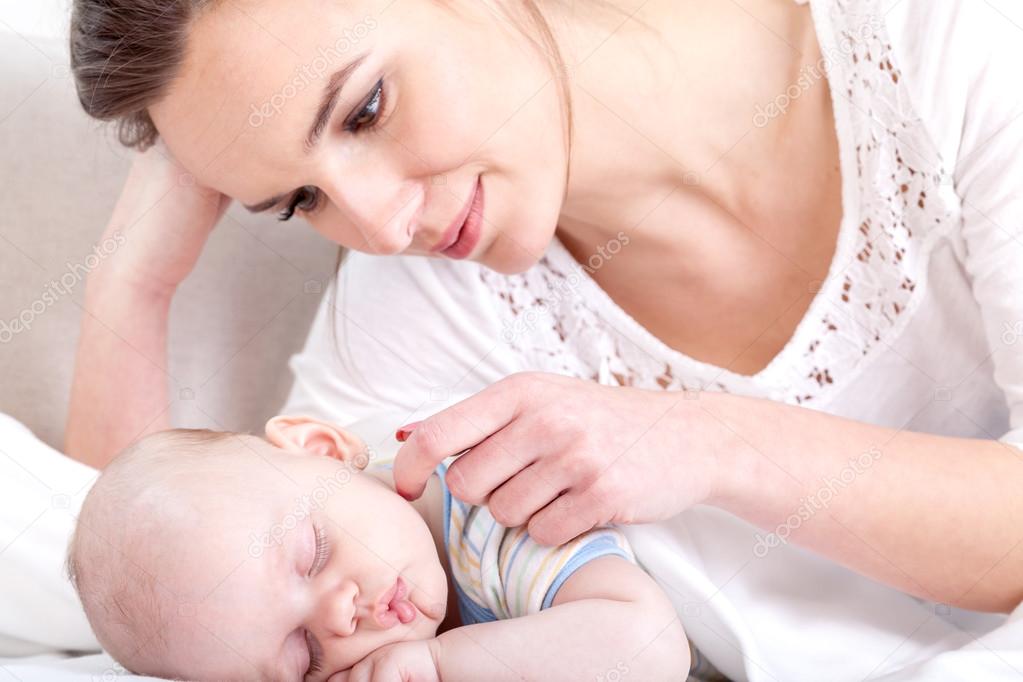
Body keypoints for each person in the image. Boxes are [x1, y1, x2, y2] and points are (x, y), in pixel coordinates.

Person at [64, 0, 1023, 677]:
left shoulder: (954, 43)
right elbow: (163, 571)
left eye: (366, 108)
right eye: (299, 200)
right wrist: (132, 283)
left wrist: (711, 441)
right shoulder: (432, 296)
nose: (382, 222)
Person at [65, 416, 691, 681]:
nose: (338, 617)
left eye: (312, 554)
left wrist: (444, 666)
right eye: (303, 652)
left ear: (324, 450)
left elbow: (651, 648)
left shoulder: (491, 510)